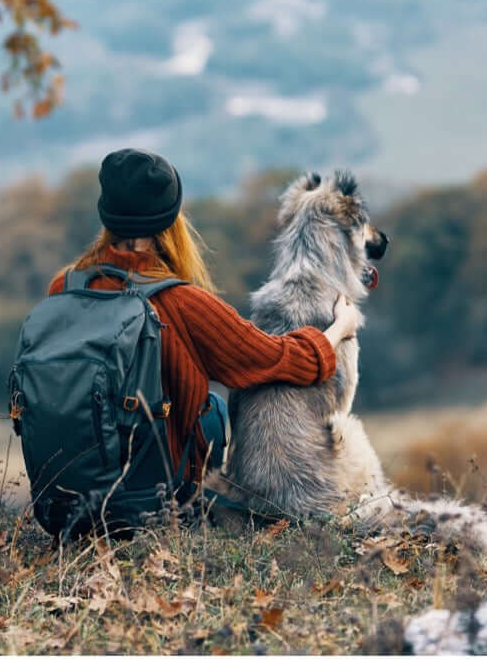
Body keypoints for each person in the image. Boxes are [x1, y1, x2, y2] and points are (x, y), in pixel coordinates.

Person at [48, 148, 361, 500]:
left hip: (65, 495)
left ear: (106, 214)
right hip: (153, 500)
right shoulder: (184, 303)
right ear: (171, 219)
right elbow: (282, 359)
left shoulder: (66, 286)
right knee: (212, 411)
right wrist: (339, 327)